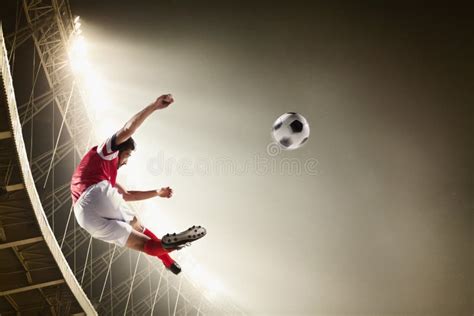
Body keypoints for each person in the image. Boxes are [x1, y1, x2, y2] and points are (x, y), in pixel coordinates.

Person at [70, 94, 206, 275]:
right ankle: (167, 256)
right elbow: (128, 129)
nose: (126, 162)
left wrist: (157, 192)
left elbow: (128, 195)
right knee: (138, 226)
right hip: (94, 194)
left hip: (83, 217)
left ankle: (167, 255)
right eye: (127, 156)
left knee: (146, 245)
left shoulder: (106, 175)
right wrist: (154, 106)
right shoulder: (104, 151)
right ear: (120, 150)